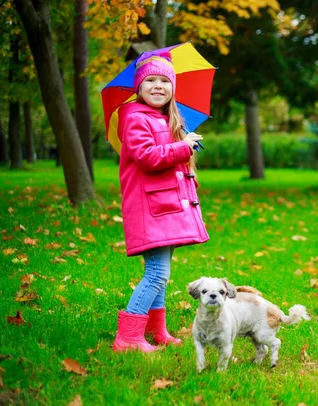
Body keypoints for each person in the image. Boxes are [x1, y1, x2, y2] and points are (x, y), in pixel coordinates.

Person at [112, 50, 209, 352]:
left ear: (173, 88)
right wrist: (182, 147)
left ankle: (157, 330)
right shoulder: (136, 119)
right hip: (149, 209)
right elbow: (147, 157)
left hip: (163, 208)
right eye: (150, 81)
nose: (158, 86)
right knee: (156, 274)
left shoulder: (163, 119)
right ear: (138, 89)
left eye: (164, 81)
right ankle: (128, 338)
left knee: (161, 273)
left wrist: (181, 139)